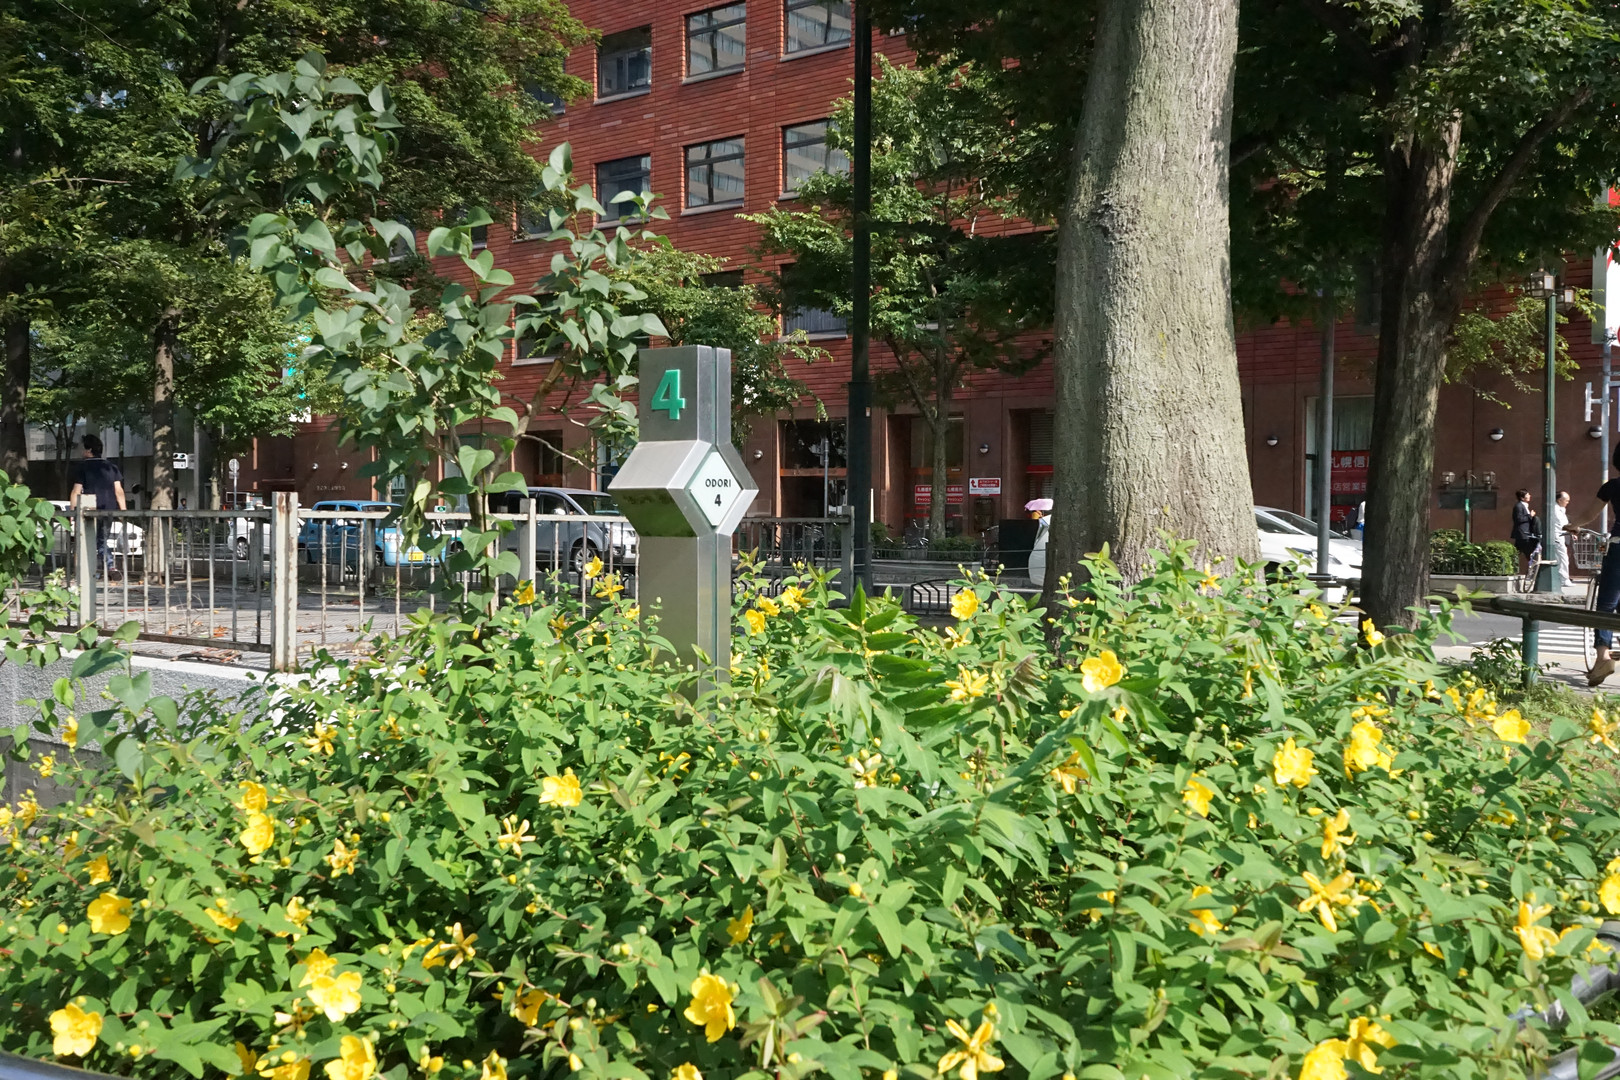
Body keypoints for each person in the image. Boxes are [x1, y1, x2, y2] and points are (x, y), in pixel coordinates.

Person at [1564, 448, 1620, 684]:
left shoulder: (1612, 486)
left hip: (1619, 547)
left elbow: (1589, 513)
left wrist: (1573, 525)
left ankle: (1603, 657)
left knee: (1606, 604)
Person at [67, 433, 127, 578]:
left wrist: (72, 512)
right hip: (109, 510)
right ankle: (109, 567)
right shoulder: (111, 467)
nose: (81, 451)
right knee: (102, 540)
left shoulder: (82, 467)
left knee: (86, 541)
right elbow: (118, 491)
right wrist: (123, 511)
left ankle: (88, 571)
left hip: (88, 511)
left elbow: (76, 491)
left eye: (82, 448)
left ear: (89, 450)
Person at [1510, 489, 1540, 575]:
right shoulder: (1519, 506)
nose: (1530, 496)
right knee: (1529, 553)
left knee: (1518, 553)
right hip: (1522, 534)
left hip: (1525, 534)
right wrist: (1530, 516)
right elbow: (1518, 519)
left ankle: (1515, 569)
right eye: (1527, 495)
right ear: (1522, 498)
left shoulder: (1524, 505)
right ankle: (1532, 572)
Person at [1554, 490, 1572, 584]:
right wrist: (1571, 530)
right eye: (1566, 500)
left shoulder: (1561, 509)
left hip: (1561, 536)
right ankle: (1564, 579)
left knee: (1561, 558)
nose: (1567, 502)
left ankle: (1561, 578)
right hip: (1557, 536)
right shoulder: (1555, 510)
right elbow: (1561, 524)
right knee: (1563, 558)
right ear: (1560, 500)